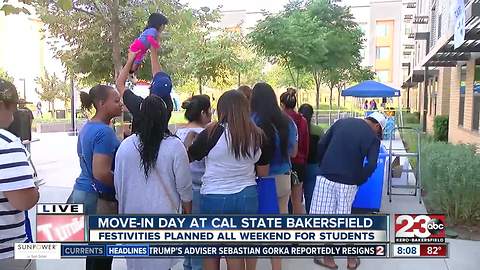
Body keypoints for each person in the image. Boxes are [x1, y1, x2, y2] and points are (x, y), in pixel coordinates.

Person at [187, 90, 269, 270]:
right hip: (247, 196)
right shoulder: (258, 135)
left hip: (214, 197)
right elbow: (263, 172)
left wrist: (190, 140)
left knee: (211, 251)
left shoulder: (212, 132)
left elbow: (189, 158)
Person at [115, 95, 192, 270]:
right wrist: (187, 210)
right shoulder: (174, 146)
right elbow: (184, 187)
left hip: (132, 219)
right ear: (165, 117)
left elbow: (119, 187)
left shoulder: (125, 147)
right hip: (164, 219)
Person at [310, 112, 386, 270]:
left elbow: (322, 144)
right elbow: (372, 165)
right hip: (348, 182)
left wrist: (322, 164)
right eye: (379, 131)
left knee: (326, 220)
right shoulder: (373, 138)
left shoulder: (341, 122)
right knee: (345, 219)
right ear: (378, 126)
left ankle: (328, 260)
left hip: (326, 177)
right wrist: (359, 179)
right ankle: (351, 260)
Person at [67, 84, 123, 270]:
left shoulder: (88, 127)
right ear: (101, 103)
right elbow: (101, 172)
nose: (120, 104)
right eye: (116, 100)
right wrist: (124, 185)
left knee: (94, 254)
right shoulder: (104, 132)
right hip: (98, 201)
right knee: (102, 258)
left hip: (83, 193)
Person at [247, 82, 297, 270]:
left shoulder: (251, 121)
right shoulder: (287, 122)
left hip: (259, 180)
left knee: (254, 231)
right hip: (283, 179)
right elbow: (293, 152)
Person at [0, 79, 39, 270]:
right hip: (7, 253)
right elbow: (23, 201)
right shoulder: (7, 144)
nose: (15, 112)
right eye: (13, 106)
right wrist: (34, 189)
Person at [175, 95, 212, 270]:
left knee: (188, 238)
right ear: (204, 112)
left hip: (180, 192)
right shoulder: (206, 135)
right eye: (210, 110)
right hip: (199, 190)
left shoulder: (177, 133)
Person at [117, 46, 174, 134]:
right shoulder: (168, 105)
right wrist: (153, 50)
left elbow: (120, 84)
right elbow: (158, 77)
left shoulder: (139, 105)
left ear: (150, 88)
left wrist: (130, 60)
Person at [280, 88, 309, 214]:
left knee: (283, 201)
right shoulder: (302, 120)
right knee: (297, 200)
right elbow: (306, 144)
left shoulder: (280, 120)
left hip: (285, 165)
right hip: (299, 164)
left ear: (282, 104)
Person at [298, 103, 323, 214]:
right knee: (310, 197)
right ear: (312, 115)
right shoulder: (318, 130)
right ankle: (310, 219)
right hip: (313, 166)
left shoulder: (294, 128)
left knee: (294, 197)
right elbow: (323, 148)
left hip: (297, 166)